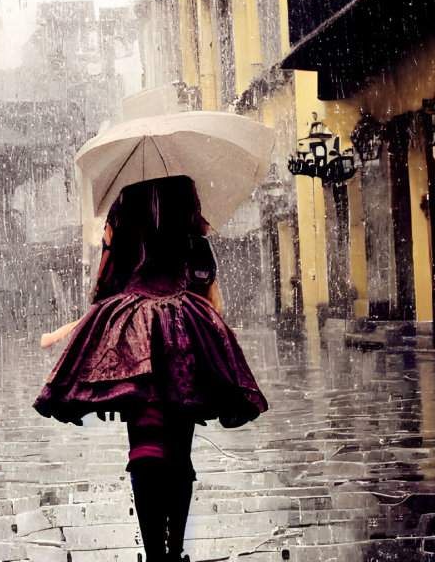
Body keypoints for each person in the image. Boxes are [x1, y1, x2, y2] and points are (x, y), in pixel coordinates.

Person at [34, 175, 267, 562]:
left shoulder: (125, 203)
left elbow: (106, 283)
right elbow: (207, 290)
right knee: (179, 453)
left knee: (144, 446)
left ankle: (155, 556)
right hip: (182, 335)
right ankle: (174, 552)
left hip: (132, 335)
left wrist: (108, 361)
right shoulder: (186, 199)